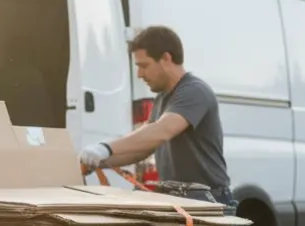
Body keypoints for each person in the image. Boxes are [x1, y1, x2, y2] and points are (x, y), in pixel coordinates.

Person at [79, 25, 235, 212]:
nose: (139, 74)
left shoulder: (194, 91)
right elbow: (143, 149)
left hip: (208, 202)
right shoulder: (163, 98)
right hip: (182, 201)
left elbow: (162, 131)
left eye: (144, 65)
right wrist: (101, 161)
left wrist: (105, 148)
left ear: (166, 59)